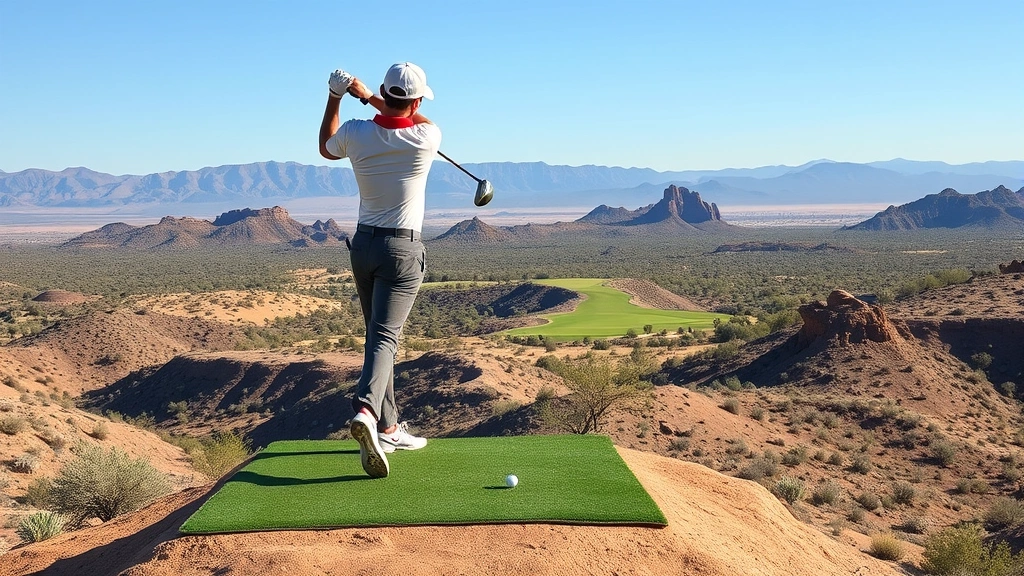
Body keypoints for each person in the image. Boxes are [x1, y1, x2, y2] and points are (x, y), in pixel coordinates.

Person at [318, 62, 440, 478]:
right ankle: (367, 411)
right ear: (418, 99)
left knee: (377, 339)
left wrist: (338, 95)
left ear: (388, 94)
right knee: (386, 339)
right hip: (402, 250)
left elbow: (325, 146)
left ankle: (388, 427)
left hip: (364, 245)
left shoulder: (354, 132)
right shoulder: (426, 137)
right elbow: (409, 116)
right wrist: (369, 95)